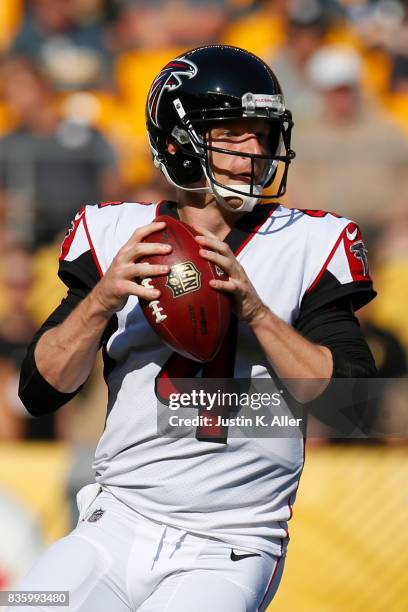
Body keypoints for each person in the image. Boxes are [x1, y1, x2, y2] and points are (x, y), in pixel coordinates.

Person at [15, 45, 376, 612]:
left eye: (261, 132)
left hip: (230, 545)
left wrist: (257, 314)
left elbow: (351, 404)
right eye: (232, 133)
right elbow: (38, 391)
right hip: (116, 522)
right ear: (177, 142)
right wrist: (102, 300)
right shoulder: (116, 232)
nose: (255, 150)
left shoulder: (308, 241)